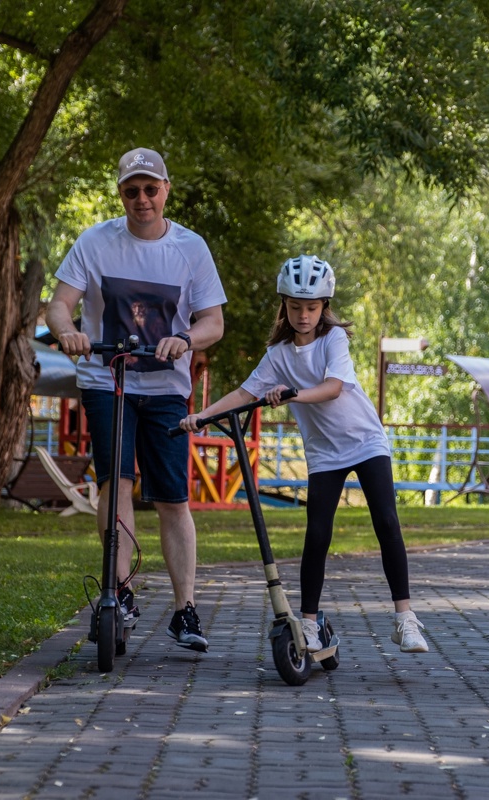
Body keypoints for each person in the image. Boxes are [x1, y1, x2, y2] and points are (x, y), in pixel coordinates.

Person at [178, 254, 430, 654]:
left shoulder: (334, 339)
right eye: (295, 307)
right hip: (325, 451)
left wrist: (293, 394)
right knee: (317, 534)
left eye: (312, 307)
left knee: (386, 520)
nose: (303, 315)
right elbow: (244, 393)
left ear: (324, 306)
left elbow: (333, 387)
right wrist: (203, 416)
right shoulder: (278, 354)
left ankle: (405, 619)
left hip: (365, 441)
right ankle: (309, 625)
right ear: (284, 305)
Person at [46, 147, 226, 652]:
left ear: (166, 189)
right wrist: (67, 332)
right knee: (117, 483)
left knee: (173, 497)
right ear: (120, 194)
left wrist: (185, 339)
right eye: (131, 191)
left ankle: (185, 609)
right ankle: (118, 592)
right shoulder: (95, 241)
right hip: (109, 380)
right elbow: (58, 305)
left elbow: (213, 322)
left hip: (166, 386)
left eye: (150, 189)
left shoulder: (190, 248)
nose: (141, 199)